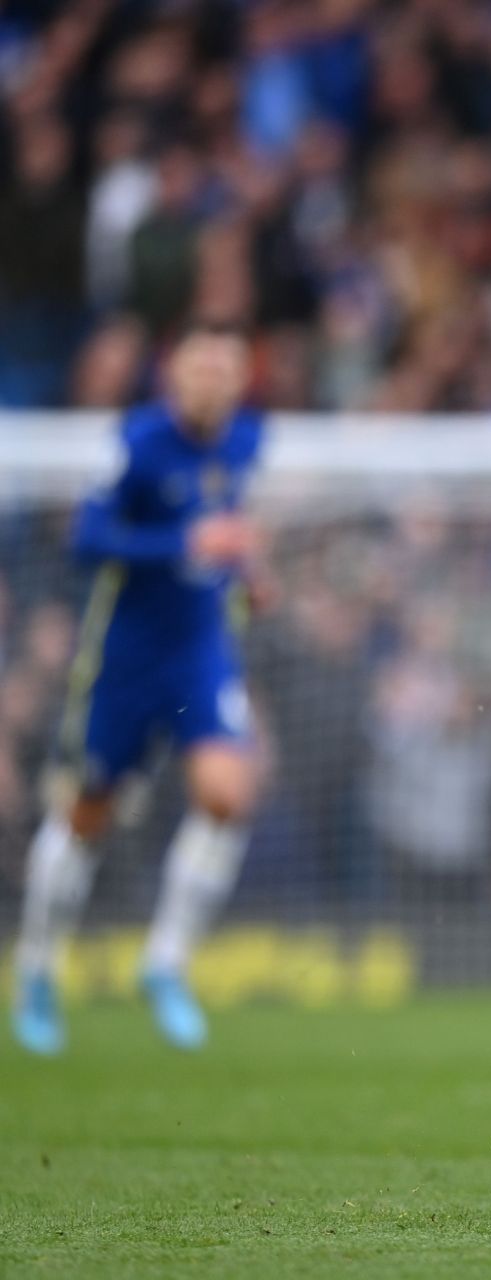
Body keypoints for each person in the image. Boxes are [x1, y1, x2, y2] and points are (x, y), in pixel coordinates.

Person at [13, 322, 268, 1055]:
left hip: (201, 650)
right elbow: (87, 541)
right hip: (126, 658)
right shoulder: (137, 442)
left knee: (226, 795)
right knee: (87, 814)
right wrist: (182, 544)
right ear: (173, 375)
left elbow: (230, 533)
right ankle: (36, 970)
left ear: (239, 378)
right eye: (198, 367)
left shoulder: (247, 441)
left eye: (225, 368)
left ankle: (165, 963)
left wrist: (251, 573)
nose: (211, 381)